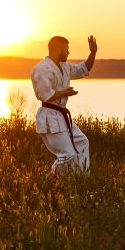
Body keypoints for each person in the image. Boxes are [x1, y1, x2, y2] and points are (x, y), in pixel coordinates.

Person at [30, 34, 98, 174]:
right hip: (49, 117)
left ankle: (81, 178)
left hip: (61, 115)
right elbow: (45, 95)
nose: (68, 52)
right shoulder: (42, 69)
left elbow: (84, 68)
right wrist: (64, 93)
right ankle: (50, 180)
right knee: (67, 155)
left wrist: (93, 53)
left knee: (82, 142)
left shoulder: (64, 67)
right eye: (66, 49)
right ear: (58, 49)